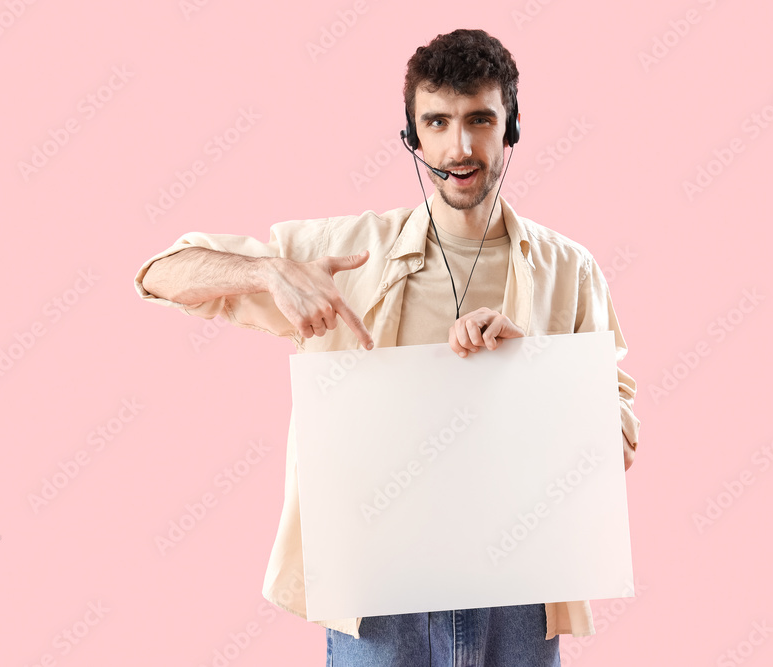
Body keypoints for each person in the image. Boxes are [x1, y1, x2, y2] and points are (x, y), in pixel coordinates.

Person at [135, 28, 640, 667]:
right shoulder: (346, 253)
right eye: (438, 122)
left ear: (510, 129)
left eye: (480, 119)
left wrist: (533, 371)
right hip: (377, 597)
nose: (460, 147)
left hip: (519, 596)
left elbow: (618, 439)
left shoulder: (572, 270)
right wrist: (271, 273)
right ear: (413, 137)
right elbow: (161, 272)